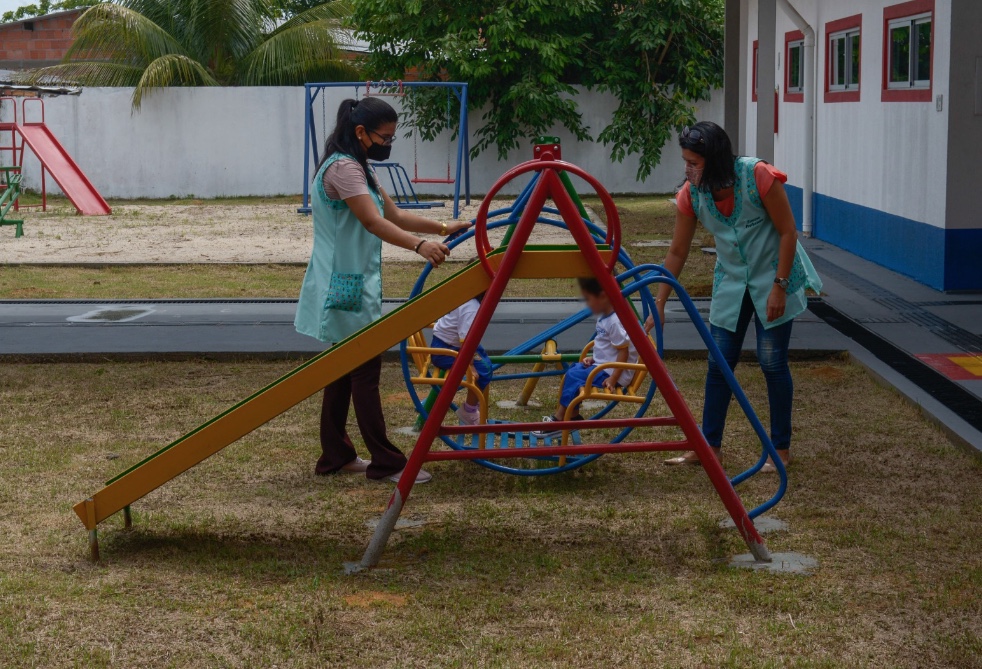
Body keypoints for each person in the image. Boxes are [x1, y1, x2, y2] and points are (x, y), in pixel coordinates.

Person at [295, 97, 471, 484]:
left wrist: (444, 227)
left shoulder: (358, 165)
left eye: (392, 137)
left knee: (342, 371)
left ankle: (335, 456)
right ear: (361, 132)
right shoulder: (343, 168)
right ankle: (386, 461)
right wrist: (419, 246)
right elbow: (373, 222)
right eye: (384, 137)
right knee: (364, 371)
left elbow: (395, 214)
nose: (388, 143)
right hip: (343, 285)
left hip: (349, 282)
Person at [649, 121, 822, 472]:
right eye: (685, 162)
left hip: (774, 276)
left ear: (714, 160)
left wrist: (780, 286)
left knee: (771, 361)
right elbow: (677, 251)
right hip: (731, 283)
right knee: (719, 363)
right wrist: (660, 302)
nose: (688, 170)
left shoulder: (757, 176)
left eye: (694, 163)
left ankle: (780, 450)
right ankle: (709, 448)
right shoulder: (692, 194)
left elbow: (788, 232)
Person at [534, 277, 638, 438]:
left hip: (613, 373)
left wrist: (613, 379)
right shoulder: (605, 315)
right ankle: (573, 416)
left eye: (589, 299)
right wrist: (594, 358)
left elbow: (624, 352)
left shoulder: (615, 321)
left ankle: (560, 420)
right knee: (575, 369)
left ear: (603, 297)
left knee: (575, 376)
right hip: (604, 366)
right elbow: (608, 347)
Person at [429, 293, 493, 426]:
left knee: (485, 363)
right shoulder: (471, 307)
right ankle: (469, 411)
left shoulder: (464, 298)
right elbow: (466, 341)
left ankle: (471, 407)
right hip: (444, 352)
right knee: (482, 372)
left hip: (448, 344)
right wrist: (470, 366)